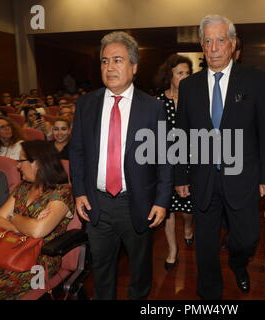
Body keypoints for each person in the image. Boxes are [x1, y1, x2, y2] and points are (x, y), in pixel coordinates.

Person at [175, 14, 265, 299]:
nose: (214, 47)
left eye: (220, 40)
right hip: (202, 177)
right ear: (202, 46)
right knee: (205, 244)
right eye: (207, 41)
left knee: (246, 238)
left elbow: (264, 131)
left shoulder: (255, 79)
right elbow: (181, 133)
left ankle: (238, 262)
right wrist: (180, 176)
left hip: (243, 176)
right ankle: (210, 295)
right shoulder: (189, 86)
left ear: (232, 44)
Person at [69, 31, 173, 300]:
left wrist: (161, 201)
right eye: (104, 61)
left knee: (140, 269)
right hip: (97, 203)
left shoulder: (152, 108)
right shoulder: (86, 104)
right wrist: (79, 192)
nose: (110, 67)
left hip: (136, 203)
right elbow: (77, 152)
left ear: (134, 67)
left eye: (117, 60)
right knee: (102, 269)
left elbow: (164, 159)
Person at [0, 140, 74, 300]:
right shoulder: (23, 187)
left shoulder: (61, 192)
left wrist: (12, 216)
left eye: (21, 160)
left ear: (37, 163)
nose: (17, 166)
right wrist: (26, 224)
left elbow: (37, 232)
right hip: (6, 249)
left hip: (37, 261)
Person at [155, 54, 194, 270]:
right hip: (166, 164)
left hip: (191, 162)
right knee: (167, 208)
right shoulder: (159, 103)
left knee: (188, 210)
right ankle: (172, 250)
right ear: (169, 75)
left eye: (188, 73)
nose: (185, 77)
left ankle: (188, 227)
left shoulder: (197, 99)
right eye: (180, 73)